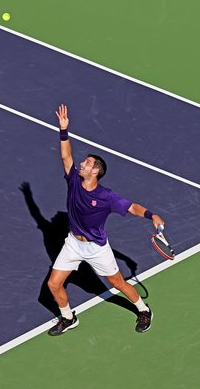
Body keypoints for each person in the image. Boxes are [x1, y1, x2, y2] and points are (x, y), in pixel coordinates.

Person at [47, 104, 164, 336]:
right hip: (73, 244)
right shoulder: (73, 180)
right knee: (53, 284)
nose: (82, 163)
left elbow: (132, 207)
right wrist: (63, 130)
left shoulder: (106, 197)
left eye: (88, 163)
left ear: (95, 172)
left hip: (96, 248)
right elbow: (66, 155)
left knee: (118, 284)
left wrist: (152, 215)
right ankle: (69, 317)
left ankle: (143, 310)